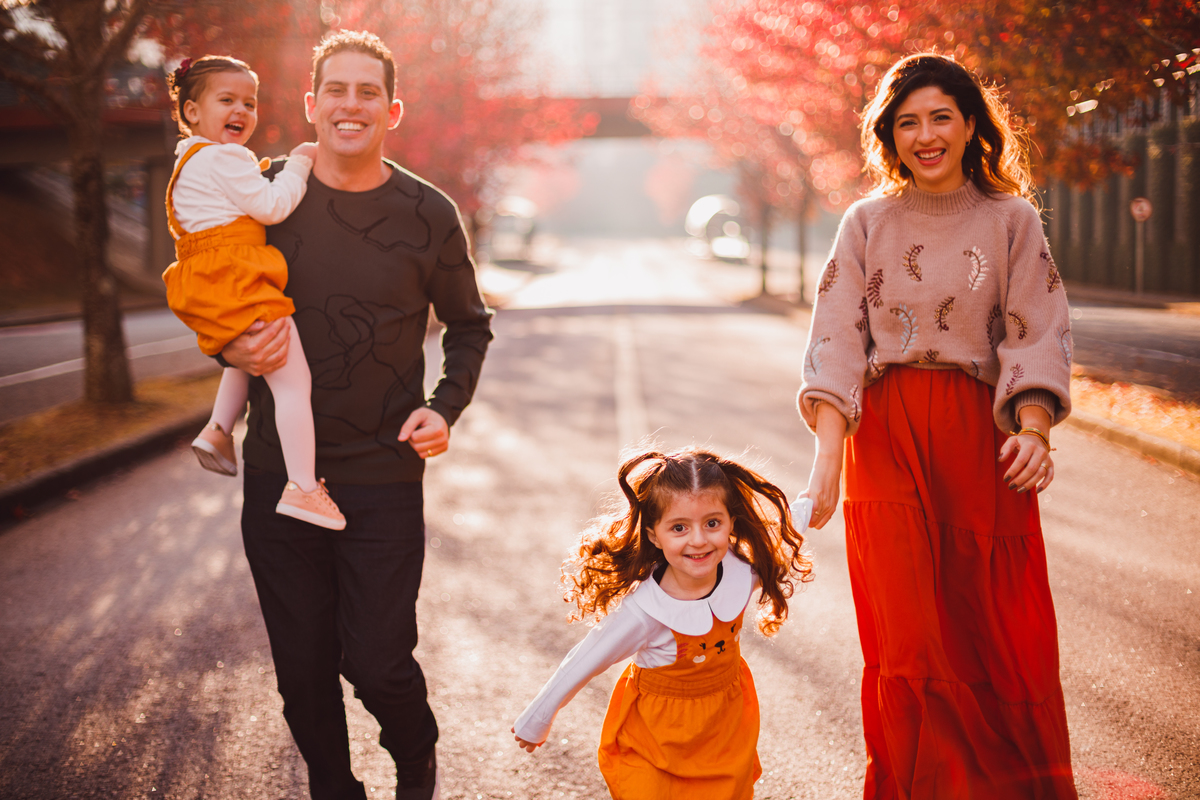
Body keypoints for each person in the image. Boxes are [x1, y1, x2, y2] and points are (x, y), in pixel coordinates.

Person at [218, 31, 493, 800]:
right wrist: (231, 345)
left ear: (391, 109)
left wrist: (447, 410)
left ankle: (416, 757)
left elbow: (470, 324)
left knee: (375, 661)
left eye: (366, 91)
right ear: (310, 104)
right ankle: (335, 791)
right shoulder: (262, 196)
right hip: (279, 475)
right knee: (303, 673)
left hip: (381, 476)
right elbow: (219, 302)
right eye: (335, 89)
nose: (350, 104)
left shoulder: (428, 212)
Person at [798, 53, 1077, 798]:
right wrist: (827, 461)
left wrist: (1035, 427)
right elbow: (836, 342)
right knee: (909, 635)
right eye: (907, 122)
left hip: (978, 437)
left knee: (990, 625)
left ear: (970, 125)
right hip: (884, 439)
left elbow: (1035, 329)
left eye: (940, 118)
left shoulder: (1011, 220)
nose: (925, 135)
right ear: (889, 134)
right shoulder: (866, 222)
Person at [512, 448, 813, 800]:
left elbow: (784, 539)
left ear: (731, 522)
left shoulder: (742, 571)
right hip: (653, 739)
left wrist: (809, 503)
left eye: (712, 523)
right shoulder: (645, 612)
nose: (698, 539)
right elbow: (585, 659)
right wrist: (538, 718)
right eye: (679, 527)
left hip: (723, 731)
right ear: (655, 535)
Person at [163, 55, 345, 529]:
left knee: (251, 356)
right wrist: (299, 165)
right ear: (191, 111)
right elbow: (272, 205)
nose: (242, 110)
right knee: (292, 383)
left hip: (206, 282)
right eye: (227, 100)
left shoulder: (187, 162)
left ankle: (218, 429)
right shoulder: (226, 157)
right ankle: (304, 486)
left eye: (250, 101)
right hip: (239, 277)